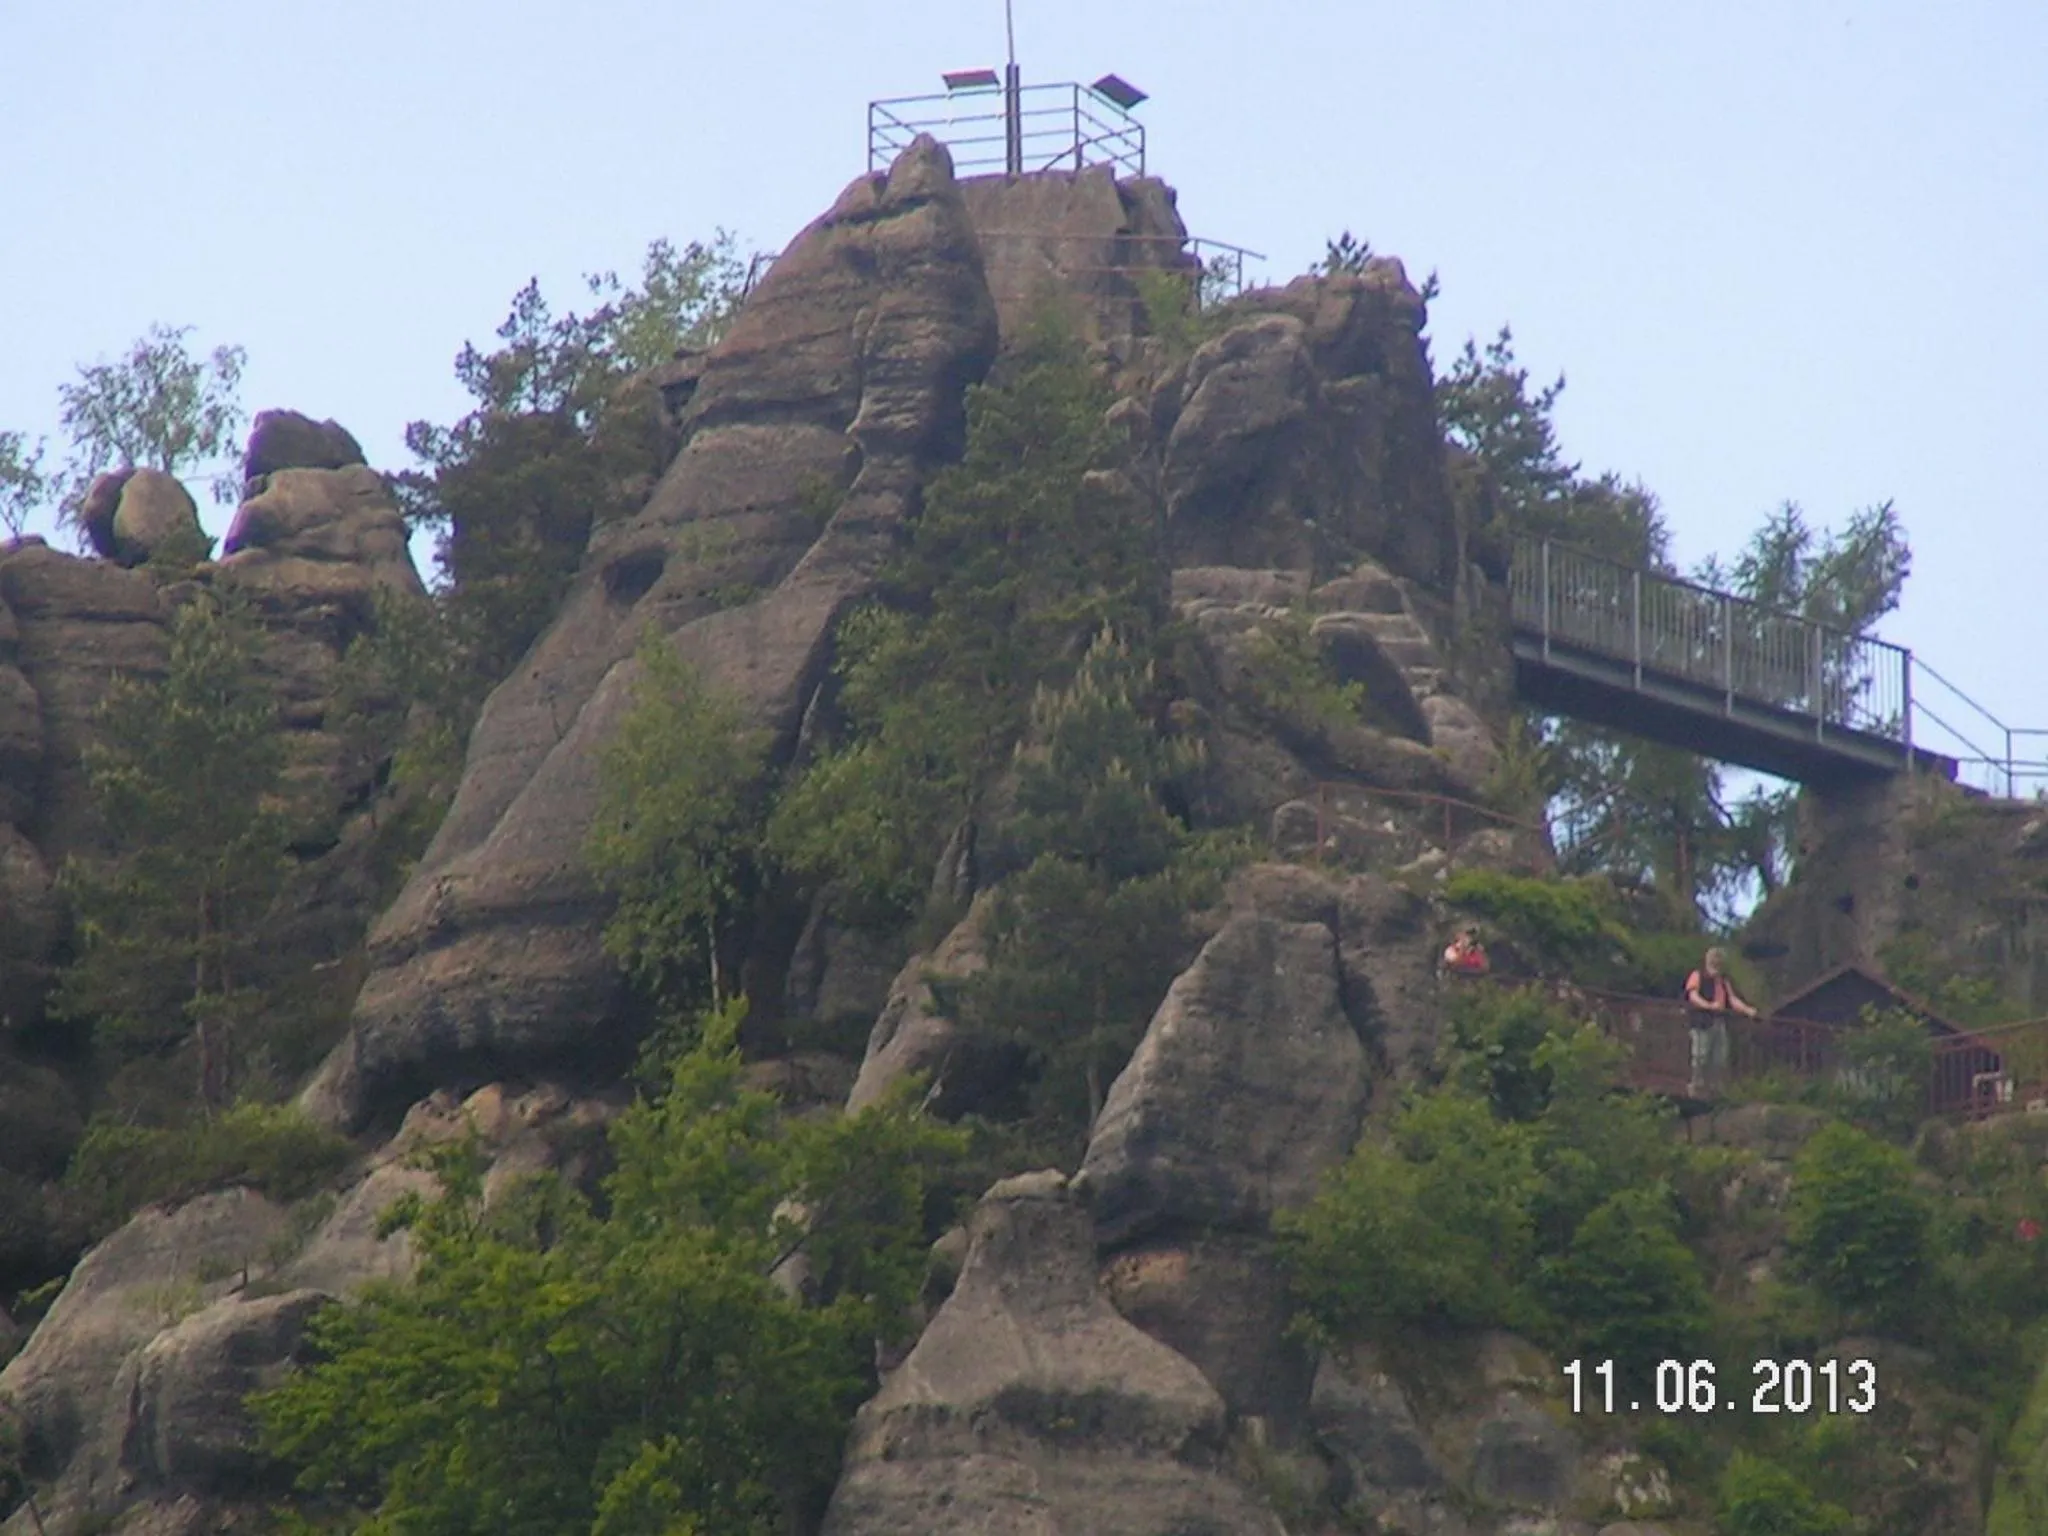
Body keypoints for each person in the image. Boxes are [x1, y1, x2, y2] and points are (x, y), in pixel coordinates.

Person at [1684, 947, 1757, 1097]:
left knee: (1720, 1057)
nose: (1717, 962)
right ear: (1708, 960)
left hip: (1719, 1021)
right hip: (1702, 1021)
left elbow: (1732, 999)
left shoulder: (1723, 980)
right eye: (1714, 959)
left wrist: (1747, 1010)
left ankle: (1715, 1088)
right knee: (1700, 1055)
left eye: (1719, 959)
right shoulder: (1698, 975)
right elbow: (1693, 996)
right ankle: (1697, 1085)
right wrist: (1709, 1006)